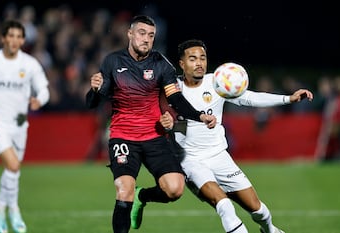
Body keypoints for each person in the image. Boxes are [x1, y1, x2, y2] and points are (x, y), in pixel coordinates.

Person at [159, 39, 314, 233]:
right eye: (192, 59)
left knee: (258, 210)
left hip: (219, 156)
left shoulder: (216, 82)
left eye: (203, 58)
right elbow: (160, 118)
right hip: (190, 160)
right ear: (182, 64)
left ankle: (270, 230)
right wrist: (165, 124)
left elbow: (249, 98)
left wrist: (287, 98)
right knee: (224, 206)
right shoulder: (171, 89)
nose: (199, 63)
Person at [85, 16, 216, 233]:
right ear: (130, 34)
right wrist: (94, 89)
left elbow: (176, 99)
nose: (146, 39)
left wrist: (200, 116)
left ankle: (142, 195)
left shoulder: (161, 64)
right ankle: (130, 198)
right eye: (142, 33)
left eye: (151, 35)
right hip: (123, 136)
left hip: (154, 136)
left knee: (174, 189)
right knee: (123, 189)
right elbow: (93, 103)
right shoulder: (113, 62)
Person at [0, 20, 50, 233]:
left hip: (20, 123)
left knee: (11, 170)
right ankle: (13, 210)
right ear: (3, 38)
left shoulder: (30, 64)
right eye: (10, 36)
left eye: (18, 37)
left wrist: (39, 100)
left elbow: (44, 89)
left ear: (23, 40)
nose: (14, 40)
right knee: (13, 166)